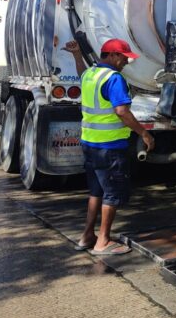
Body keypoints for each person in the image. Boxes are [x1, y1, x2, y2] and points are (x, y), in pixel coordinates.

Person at [65, 39, 155, 256]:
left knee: (96, 191)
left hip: (90, 144)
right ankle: (103, 241)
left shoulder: (91, 74)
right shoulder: (114, 78)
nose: (126, 62)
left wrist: (77, 55)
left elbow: (81, 73)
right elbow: (122, 111)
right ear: (113, 56)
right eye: (124, 58)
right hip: (110, 147)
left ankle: (87, 235)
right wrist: (144, 133)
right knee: (112, 193)